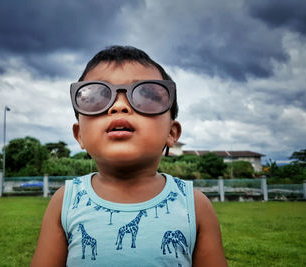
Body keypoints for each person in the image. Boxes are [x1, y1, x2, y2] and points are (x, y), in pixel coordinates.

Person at [31, 46, 227, 266]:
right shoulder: (66, 202)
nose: (119, 106)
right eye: (96, 97)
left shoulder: (195, 205)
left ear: (172, 133)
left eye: (148, 96)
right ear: (80, 136)